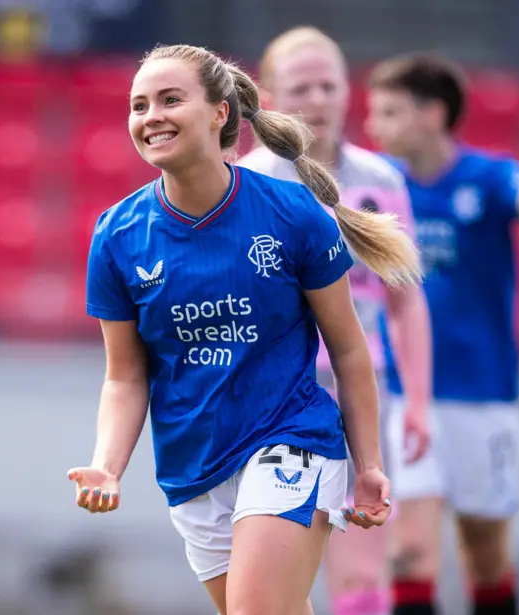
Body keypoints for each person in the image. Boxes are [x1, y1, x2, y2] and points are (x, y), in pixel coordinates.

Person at [67, 43, 422, 615]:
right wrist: (108, 465)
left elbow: (351, 350)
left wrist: (370, 463)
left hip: (291, 439)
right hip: (192, 467)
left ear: (219, 113)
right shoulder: (116, 235)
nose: (150, 116)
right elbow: (125, 378)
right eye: (138, 105)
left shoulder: (293, 212)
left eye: (170, 99)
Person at [238, 27, 432, 615]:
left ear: (350, 91)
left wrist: (418, 401)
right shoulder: (246, 185)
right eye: (302, 87)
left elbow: (406, 302)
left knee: (363, 581)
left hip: (358, 398)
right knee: (269, 588)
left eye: (329, 85)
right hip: (272, 407)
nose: (318, 100)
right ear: (268, 94)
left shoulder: (382, 183)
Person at [365, 52, 519, 615]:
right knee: (410, 552)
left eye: (389, 112)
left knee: (485, 554)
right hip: (409, 397)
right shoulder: (380, 184)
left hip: (483, 397)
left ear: (432, 113)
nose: (374, 126)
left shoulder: (491, 177)